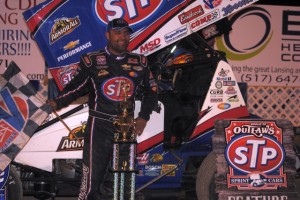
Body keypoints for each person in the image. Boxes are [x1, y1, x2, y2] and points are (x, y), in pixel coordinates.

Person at [48, 18, 158, 200]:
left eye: (126, 33)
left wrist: (143, 118)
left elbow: (152, 92)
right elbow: (76, 87)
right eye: (118, 33)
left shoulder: (140, 62)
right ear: (108, 35)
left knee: (122, 178)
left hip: (126, 128)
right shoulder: (91, 61)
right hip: (99, 126)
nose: (123, 37)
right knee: (92, 175)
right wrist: (56, 103)